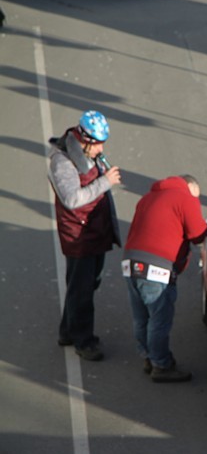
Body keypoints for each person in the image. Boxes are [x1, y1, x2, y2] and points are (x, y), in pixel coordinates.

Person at [48, 110, 121, 361]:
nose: (101, 149)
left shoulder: (89, 155)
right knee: (82, 289)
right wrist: (105, 183)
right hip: (79, 235)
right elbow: (72, 199)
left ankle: (68, 330)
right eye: (98, 144)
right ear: (85, 140)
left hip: (93, 230)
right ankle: (83, 340)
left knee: (88, 283)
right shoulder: (63, 162)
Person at [122, 175, 207, 382]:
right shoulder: (185, 198)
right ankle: (161, 365)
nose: (196, 202)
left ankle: (148, 358)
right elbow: (198, 234)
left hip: (131, 263)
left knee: (141, 316)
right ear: (190, 187)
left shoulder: (147, 198)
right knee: (159, 319)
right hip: (157, 267)